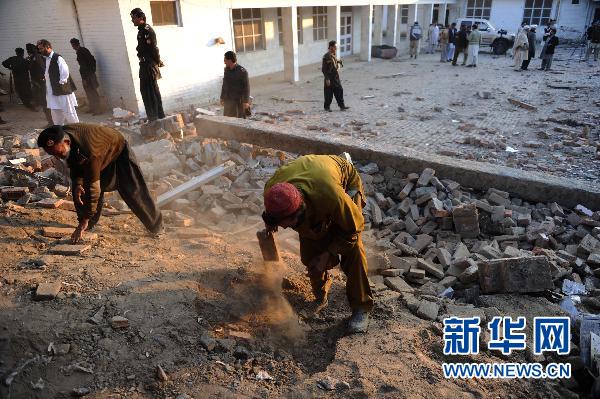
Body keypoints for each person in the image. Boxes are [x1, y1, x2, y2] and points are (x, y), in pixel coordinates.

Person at [262, 155, 373, 334]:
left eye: (287, 223)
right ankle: (320, 293)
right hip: (313, 178)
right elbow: (275, 215)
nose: (284, 227)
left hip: (344, 182)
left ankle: (361, 307)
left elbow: (354, 229)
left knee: (353, 251)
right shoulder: (272, 191)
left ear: (301, 209)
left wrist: (329, 253)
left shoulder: (330, 196)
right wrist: (270, 223)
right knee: (310, 253)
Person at [37, 124, 163, 243]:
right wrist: (78, 182)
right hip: (96, 151)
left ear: (67, 142)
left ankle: (156, 226)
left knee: (132, 190)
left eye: (59, 154)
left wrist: (84, 218)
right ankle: (88, 223)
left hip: (117, 148)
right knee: (78, 189)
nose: (57, 158)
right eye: (53, 154)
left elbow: (93, 188)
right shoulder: (62, 139)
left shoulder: (90, 152)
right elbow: (73, 163)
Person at [130, 8, 165, 121]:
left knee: (150, 92)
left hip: (149, 65)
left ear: (141, 18)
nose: (132, 20)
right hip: (144, 64)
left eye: (134, 18)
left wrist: (158, 61)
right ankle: (155, 116)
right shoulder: (141, 30)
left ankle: (156, 117)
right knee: (147, 91)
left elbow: (154, 49)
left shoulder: (147, 31)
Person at [36, 39, 79, 125]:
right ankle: (59, 132)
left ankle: (78, 130)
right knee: (56, 114)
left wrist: (61, 83)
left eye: (41, 48)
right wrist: (47, 78)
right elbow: (50, 72)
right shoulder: (47, 59)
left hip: (62, 92)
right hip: (53, 92)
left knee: (69, 113)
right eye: (39, 49)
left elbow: (65, 71)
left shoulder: (57, 58)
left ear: (48, 47)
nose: (40, 51)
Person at [70, 38, 102, 115]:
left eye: (72, 45)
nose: (72, 47)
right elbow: (92, 60)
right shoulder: (83, 50)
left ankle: (98, 109)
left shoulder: (81, 52)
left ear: (74, 45)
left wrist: (85, 78)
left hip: (88, 76)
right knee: (89, 92)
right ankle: (93, 108)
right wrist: (92, 70)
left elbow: (84, 66)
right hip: (89, 74)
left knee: (92, 92)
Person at [26, 43, 53, 125]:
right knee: (44, 103)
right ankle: (51, 121)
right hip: (38, 83)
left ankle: (51, 122)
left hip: (41, 84)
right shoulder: (33, 57)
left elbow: (43, 69)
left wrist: (41, 80)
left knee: (45, 103)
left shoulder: (37, 57)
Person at [219, 51, 250, 118]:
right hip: (228, 100)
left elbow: (246, 87)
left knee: (239, 120)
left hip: (238, 101)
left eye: (225, 60)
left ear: (230, 60)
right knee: (227, 119)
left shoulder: (242, 71)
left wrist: (246, 101)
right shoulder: (226, 70)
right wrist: (222, 97)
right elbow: (224, 84)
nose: (224, 62)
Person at [321, 40, 349, 112]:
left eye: (336, 47)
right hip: (330, 78)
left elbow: (334, 62)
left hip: (335, 77)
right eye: (335, 47)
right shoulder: (326, 56)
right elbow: (324, 69)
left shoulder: (333, 55)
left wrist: (339, 62)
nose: (336, 48)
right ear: (331, 47)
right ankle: (327, 107)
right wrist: (327, 79)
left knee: (339, 90)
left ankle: (342, 106)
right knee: (328, 93)